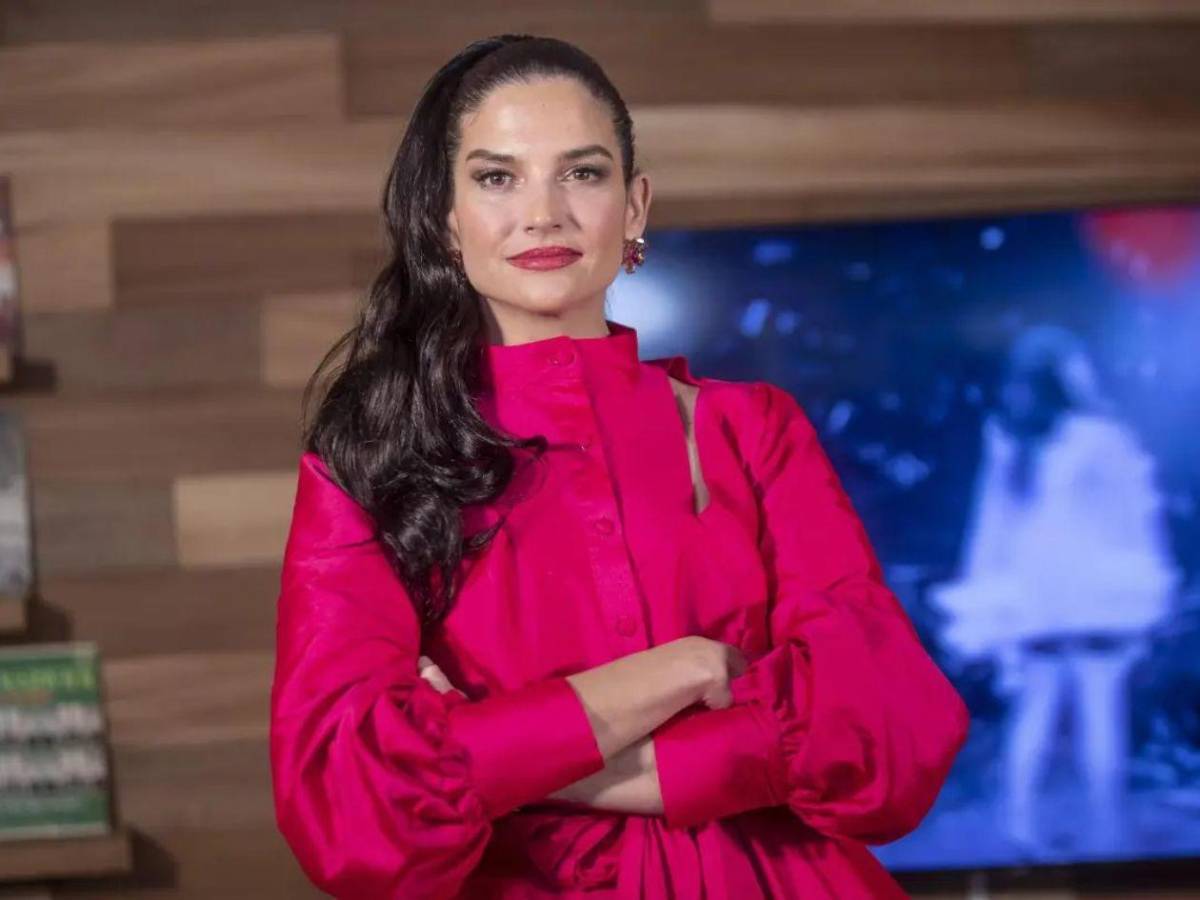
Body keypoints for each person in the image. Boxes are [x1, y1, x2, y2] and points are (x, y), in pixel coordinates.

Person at [269, 34, 970, 899]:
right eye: (497, 178)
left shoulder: (754, 429)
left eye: (582, 173)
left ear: (634, 206)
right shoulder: (367, 463)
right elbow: (349, 807)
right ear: (446, 219)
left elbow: (891, 729)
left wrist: (497, 757)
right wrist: (685, 670)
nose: (543, 214)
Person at [929, 325, 1180, 855]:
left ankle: (1018, 828)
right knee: (1100, 711)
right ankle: (1107, 834)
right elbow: (1134, 516)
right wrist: (1144, 583)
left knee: (1036, 711)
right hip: (1094, 599)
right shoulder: (1100, 437)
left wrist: (988, 597)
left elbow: (991, 527)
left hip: (1037, 602)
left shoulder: (1011, 439)